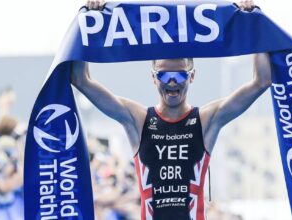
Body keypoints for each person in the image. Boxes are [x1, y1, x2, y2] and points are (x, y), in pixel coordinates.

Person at [71, 0, 271, 219]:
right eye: (164, 75)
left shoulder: (206, 120)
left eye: (180, 74)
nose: (173, 82)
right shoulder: (138, 120)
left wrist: (254, 22)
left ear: (192, 76)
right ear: (153, 78)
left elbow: (261, 81)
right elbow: (81, 80)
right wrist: (87, 23)